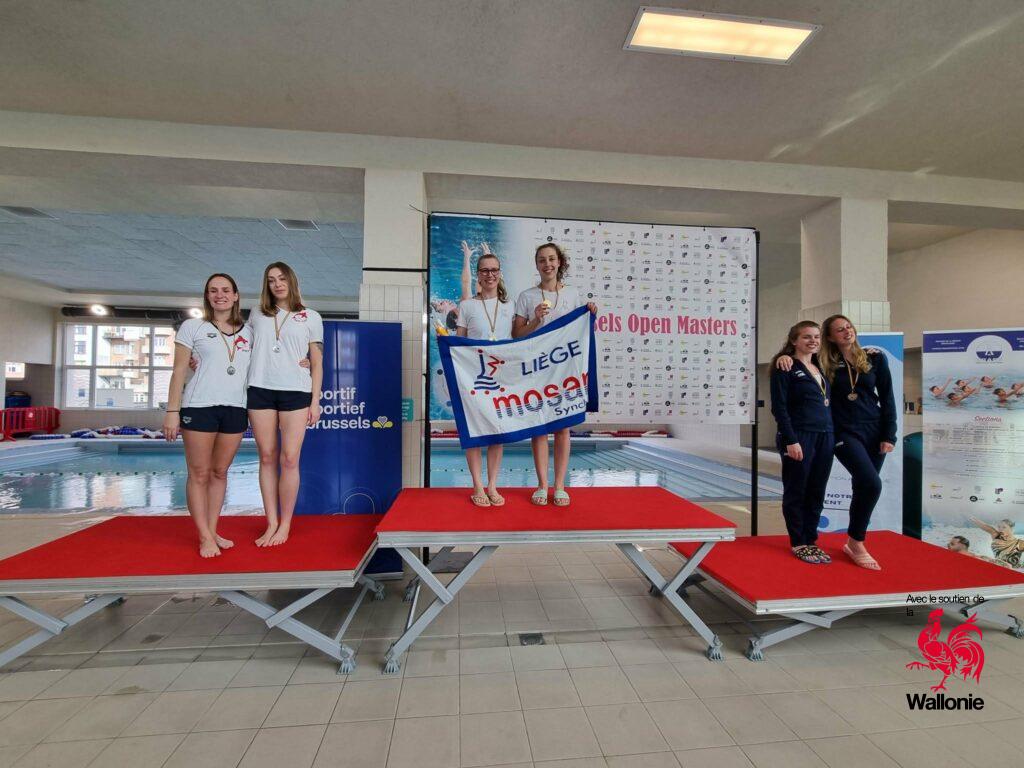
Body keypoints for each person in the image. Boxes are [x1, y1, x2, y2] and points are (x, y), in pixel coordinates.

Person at [776, 315, 896, 570]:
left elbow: (888, 397)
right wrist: (783, 357)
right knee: (870, 482)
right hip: (841, 431)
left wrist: (890, 434)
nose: (847, 332)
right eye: (840, 330)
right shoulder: (824, 362)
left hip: (872, 430)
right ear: (830, 337)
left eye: (849, 327)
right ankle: (845, 542)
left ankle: (852, 541)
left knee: (863, 487)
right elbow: (795, 367)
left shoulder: (874, 358)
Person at [164, 274, 251, 557]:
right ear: (207, 296)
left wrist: (303, 362)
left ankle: (213, 531)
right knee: (199, 473)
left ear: (236, 296)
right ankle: (203, 536)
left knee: (220, 472)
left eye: (225, 290)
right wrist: (172, 411)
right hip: (199, 406)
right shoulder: (193, 327)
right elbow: (179, 370)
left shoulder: (250, 332)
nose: (219, 295)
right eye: (213, 291)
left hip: (236, 407)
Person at [512, 243, 598, 507]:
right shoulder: (526, 296)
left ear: (559, 262)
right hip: (538, 369)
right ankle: (542, 484)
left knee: (562, 427)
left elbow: (579, 331)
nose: (547, 264)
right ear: (536, 265)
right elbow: (516, 335)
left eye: (551, 259)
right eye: (542, 260)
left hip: (564, 370)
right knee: (539, 428)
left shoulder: (573, 294)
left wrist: (590, 313)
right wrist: (536, 319)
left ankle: (559, 486)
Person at [246, 262, 324, 546]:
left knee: (290, 458)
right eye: (271, 280)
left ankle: (286, 524)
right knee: (267, 457)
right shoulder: (257, 313)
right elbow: (242, 348)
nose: (277, 284)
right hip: (260, 389)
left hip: (296, 391)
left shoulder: (310, 316)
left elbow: (317, 362)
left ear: (292, 281)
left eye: (281, 278)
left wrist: (315, 401)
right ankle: (271, 522)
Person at [769, 321, 834, 564]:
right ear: (794, 340)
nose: (813, 341)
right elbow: (779, 407)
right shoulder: (785, 366)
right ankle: (798, 542)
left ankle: (811, 540)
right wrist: (791, 439)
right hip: (800, 435)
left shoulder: (820, 367)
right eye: (807, 336)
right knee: (797, 490)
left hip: (825, 435)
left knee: (817, 490)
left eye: (816, 336)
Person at [456, 252, 515, 507]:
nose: (490, 274)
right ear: (478, 275)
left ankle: (492, 485)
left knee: (496, 432)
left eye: (494, 270)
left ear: (500, 273)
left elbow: (518, 341)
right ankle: (477, 485)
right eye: (484, 270)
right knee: (475, 432)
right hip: (473, 379)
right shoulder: (467, 306)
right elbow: (458, 343)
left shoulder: (510, 305)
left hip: (501, 378)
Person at [947, 535, 1013, 568]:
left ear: (963, 545)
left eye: (952, 544)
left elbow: (1007, 566)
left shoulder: (977, 558)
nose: (948, 545)